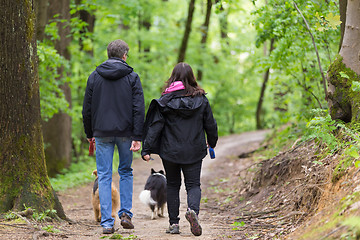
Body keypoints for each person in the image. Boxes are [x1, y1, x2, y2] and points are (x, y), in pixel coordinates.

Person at [141, 62, 218, 236]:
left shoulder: (165, 101)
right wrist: (212, 141)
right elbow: (210, 124)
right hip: (194, 149)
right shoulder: (201, 99)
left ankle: (174, 224)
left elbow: (155, 126)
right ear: (192, 78)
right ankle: (193, 213)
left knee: (173, 185)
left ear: (173, 77)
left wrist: (146, 149)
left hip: (170, 151)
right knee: (193, 184)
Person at [82, 39, 145, 234]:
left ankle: (107, 223)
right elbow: (138, 108)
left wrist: (89, 133)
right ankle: (125, 214)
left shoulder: (94, 76)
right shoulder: (132, 77)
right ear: (124, 55)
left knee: (104, 174)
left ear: (108, 54)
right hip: (126, 132)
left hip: (101, 132)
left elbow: (87, 109)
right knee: (125, 171)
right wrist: (137, 135)